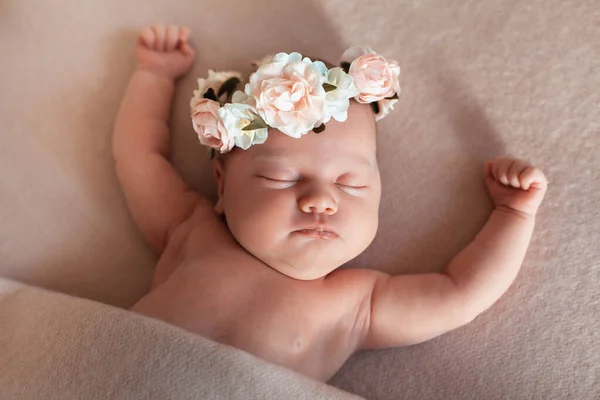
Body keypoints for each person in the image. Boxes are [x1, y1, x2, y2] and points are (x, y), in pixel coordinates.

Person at [113, 24, 548, 381]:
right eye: (280, 178)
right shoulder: (191, 232)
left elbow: (459, 294)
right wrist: (154, 76)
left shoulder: (356, 304)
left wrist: (514, 214)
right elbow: (139, 158)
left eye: (351, 184)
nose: (320, 200)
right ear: (222, 186)